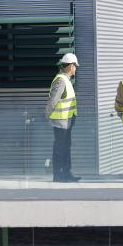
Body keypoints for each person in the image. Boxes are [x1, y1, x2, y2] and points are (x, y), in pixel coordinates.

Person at [46, 53, 81, 183]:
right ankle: (58, 175)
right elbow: (53, 101)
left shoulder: (66, 80)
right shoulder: (61, 80)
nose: (76, 69)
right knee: (59, 149)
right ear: (71, 66)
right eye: (75, 66)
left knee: (65, 148)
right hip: (61, 122)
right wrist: (48, 116)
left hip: (67, 121)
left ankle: (67, 173)